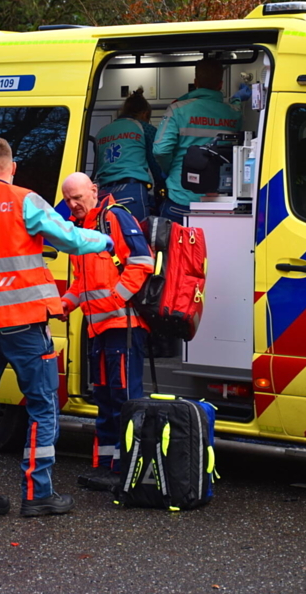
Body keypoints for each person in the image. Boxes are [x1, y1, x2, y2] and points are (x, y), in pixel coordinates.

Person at [0, 137, 113, 520]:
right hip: (25, 327)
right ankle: (37, 493)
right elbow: (70, 239)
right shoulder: (23, 199)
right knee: (42, 406)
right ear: (12, 168)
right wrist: (105, 239)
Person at [59, 173, 154, 491]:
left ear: (94, 192)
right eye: (68, 199)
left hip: (122, 327)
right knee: (105, 398)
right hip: (99, 328)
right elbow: (81, 283)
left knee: (125, 400)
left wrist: (116, 299)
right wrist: (65, 305)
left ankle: (129, 471)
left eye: (78, 197)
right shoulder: (81, 231)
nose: (73, 204)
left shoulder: (115, 217)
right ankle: (106, 467)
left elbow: (141, 262)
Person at [152, 59, 249, 224]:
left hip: (181, 196)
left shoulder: (178, 110)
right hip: (219, 200)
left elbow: (161, 150)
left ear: (195, 82)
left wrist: (170, 170)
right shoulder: (234, 113)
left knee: (173, 248)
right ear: (220, 85)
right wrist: (237, 99)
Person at [92, 88, 163, 222]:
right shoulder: (144, 128)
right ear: (144, 114)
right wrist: (164, 186)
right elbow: (156, 163)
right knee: (137, 236)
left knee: (110, 236)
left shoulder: (102, 132)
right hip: (131, 191)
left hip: (104, 194)